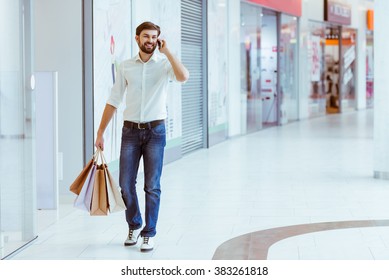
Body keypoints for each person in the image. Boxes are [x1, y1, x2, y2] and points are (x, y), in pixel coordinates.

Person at [95, 21, 189, 252]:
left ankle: (149, 232)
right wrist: (100, 131)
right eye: (146, 36)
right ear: (137, 38)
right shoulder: (126, 66)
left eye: (154, 37)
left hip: (156, 131)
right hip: (130, 131)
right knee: (125, 184)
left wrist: (167, 51)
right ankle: (134, 224)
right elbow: (114, 100)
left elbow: (183, 76)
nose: (150, 41)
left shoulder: (165, 64)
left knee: (152, 185)